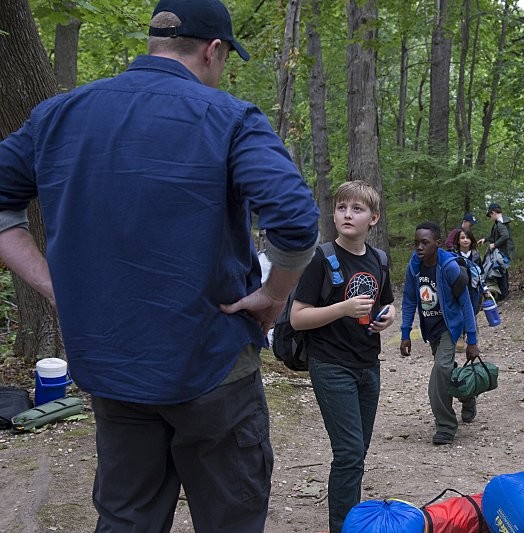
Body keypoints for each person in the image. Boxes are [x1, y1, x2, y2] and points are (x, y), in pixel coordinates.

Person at [0, 0, 320, 531]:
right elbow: (294, 217)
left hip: (110, 365)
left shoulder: (58, 115)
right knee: (231, 518)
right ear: (213, 51)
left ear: (154, 43)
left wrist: (52, 286)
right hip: (213, 364)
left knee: (127, 518)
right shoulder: (228, 116)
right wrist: (275, 295)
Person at [290, 180, 395, 533]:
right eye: (341, 208)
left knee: (357, 454)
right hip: (331, 365)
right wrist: (342, 309)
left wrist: (388, 316)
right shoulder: (320, 258)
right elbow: (297, 317)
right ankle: (343, 527)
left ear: (374, 218)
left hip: (368, 365)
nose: (347, 215)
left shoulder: (379, 259)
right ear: (333, 214)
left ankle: (352, 521)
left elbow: (384, 303)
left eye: (357, 209)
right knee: (349, 453)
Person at [400, 221, 479, 445]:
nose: (419, 247)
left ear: (438, 243)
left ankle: (445, 426)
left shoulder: (449, 267)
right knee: (449, 371)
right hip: (430, 329)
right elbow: (408, 299)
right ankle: (467, 394)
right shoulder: (414, 266)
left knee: (441, 368)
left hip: (450, 327)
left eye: (425, 243)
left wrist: (471, 339)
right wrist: (405, 333)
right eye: (416, 243)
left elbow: (466, 305)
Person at [478, 203, 515, 301]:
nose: (490, 217)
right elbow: (495, 237)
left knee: (500, 270)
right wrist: (485, 239)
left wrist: (495, 244)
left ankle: (504, 294)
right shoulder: (499, 223)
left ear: (493, 212)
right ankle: (504, 293)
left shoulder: (500, 223)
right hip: (503, 251)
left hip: (503, 252)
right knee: (502, 270)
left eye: (490, 215)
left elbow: (505, 236)